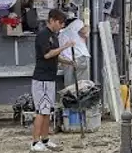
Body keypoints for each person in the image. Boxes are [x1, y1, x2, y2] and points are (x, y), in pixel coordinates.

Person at [31, 9, 74, 152]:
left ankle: (45, 139)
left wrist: (68, 62)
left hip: (50, 78)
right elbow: (48, 55)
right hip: (41, 78)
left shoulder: (54, 36)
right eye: (60, 23)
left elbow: (55, 55)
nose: (61, 26)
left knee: (48, 110)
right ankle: (35, 141)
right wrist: (65, 46)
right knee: (41, 110)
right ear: (53, 20)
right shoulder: (43, 35)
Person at [59, 18, 91, 87]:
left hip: (67, 61)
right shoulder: (77, 22)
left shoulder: (61, 34)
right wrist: (87, 25)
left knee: (70, 87)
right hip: (80, 57)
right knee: (83, 86)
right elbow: (86, 34)